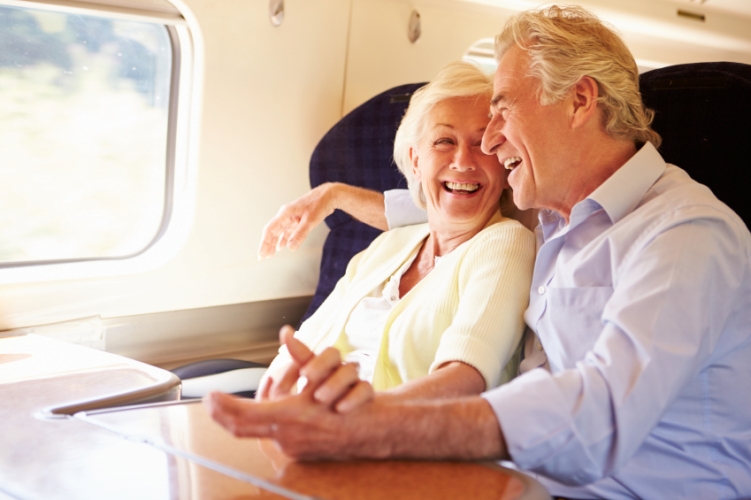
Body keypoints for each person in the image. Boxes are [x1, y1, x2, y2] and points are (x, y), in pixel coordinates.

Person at [206, 5, 751, 498]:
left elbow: (600, 415)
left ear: (580, 100)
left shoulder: (686, 235)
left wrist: (375, 424)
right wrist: (337, 196)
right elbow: (442, 207)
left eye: (503, 111)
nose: (488, 144)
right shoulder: (554, 220)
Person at [258, 61, 535, 406]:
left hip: (396, 441)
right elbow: (300, 348)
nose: (463, 161)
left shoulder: (506, 243)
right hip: (308, 426)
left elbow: (464, 380)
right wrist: (267, 409)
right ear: (415, 160)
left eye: (481, 144)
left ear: (502, 159)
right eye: (444, 141)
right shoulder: (387, 245)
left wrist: (354, 422)